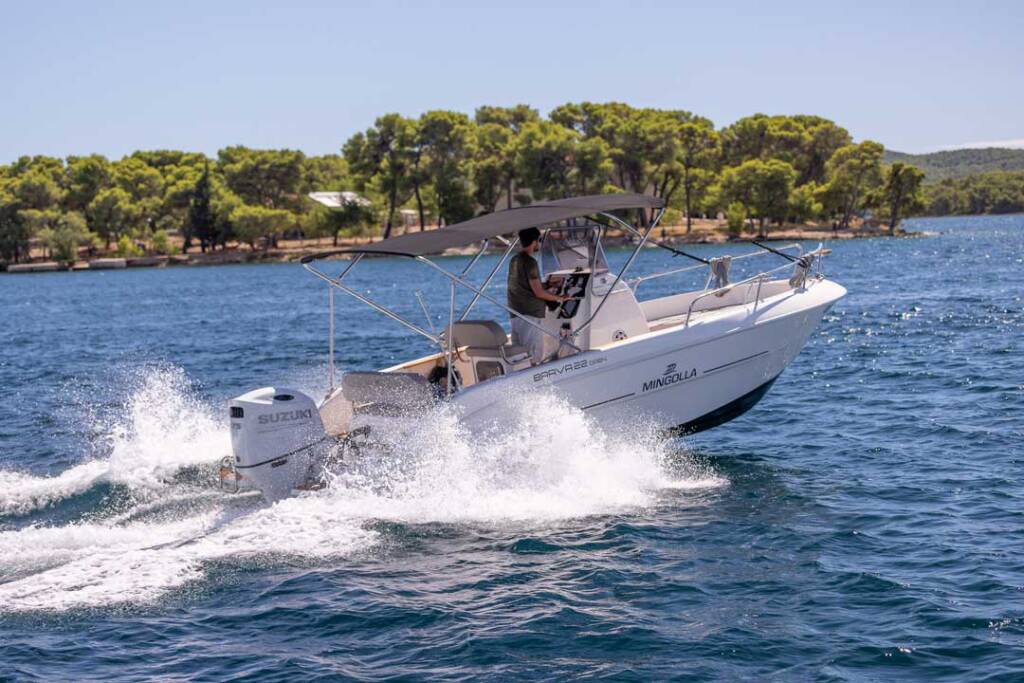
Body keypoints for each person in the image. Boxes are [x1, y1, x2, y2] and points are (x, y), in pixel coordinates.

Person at [507, 227, 569, 364]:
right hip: (530, 315)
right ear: (535, 241)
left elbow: (525, 286)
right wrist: (561, 298)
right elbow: (539, 293)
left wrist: (548, 284)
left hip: (515, 314)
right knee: (533, 356)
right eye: (539, 240)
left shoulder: (515, 260)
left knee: (520, 356)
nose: (539, 244)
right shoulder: (530, 262)